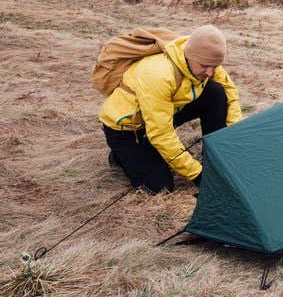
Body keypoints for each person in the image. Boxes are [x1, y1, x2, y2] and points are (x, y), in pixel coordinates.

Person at [98, 25, 242, 193]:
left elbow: (230, 93)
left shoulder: (206, 60)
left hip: (163, 113)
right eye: (205, 66)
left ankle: (217, 158)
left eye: (215, 66)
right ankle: (120, 155)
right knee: (161, 188)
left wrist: (233, 135)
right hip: (130, 130)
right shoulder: (158, 75)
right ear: (189, 56)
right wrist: (198, 175)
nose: (210, 72)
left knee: (216, 92)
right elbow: (161, 134)